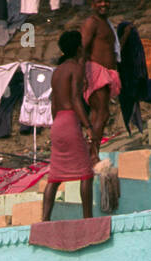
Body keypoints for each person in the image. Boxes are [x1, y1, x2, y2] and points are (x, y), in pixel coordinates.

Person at [42, 30, 97, 221]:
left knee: (55, 177)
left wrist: (58, 125)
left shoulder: (57, 72)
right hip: (70, 121)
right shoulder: (76, 68)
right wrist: (87, 125)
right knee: (85, 173)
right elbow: (75, 99)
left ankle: (45, 220)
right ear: (79, 48)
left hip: (57, 123)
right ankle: (88, 218)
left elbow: (54, 104)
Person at [80, 0, 120, 147]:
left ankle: (92, 150)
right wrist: (83, 75)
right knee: (103, 113)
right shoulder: (92, 23)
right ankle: (93, 152)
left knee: (98, 113)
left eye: (106, 1)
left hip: (107, 73)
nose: (103, 4)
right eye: (99, 2)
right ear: (92, 4)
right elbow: (82, 48)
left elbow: (110, 47)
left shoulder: (106, 23)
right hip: (96, 72)